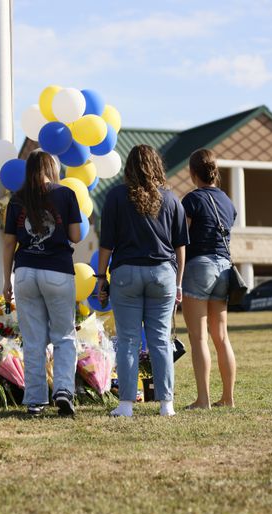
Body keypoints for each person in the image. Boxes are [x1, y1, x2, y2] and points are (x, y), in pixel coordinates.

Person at [96, 144, 189, 417]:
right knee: (160, 340)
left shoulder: (115, 197)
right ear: (156, 166)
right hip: (163, 274)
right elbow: (181, 246)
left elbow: (106, 245)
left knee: (127, 340)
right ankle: (166, 405)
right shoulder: (171, 200)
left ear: (129, 168)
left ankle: (125, 405)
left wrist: (101, 278)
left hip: (125, 275)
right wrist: (179, 283)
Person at [2, 150, 82, 416]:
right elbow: (75, 236)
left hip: (24, 271)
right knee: (64, 336)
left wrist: (6, 280)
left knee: (33, 339)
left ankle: (35, 399)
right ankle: (63, 390)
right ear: (52, 167)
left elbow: (8, 243)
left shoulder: (16, 200)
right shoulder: (66, 194)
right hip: (58, 270)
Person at [179, 149, 238, 409]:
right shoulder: (227, 201)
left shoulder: (191, 200)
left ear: (193, 173)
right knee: (221, 337)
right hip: (224, 267)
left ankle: (203, 399)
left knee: (198, 337)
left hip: (199, 266)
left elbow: (182, 237)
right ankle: (228, 397)